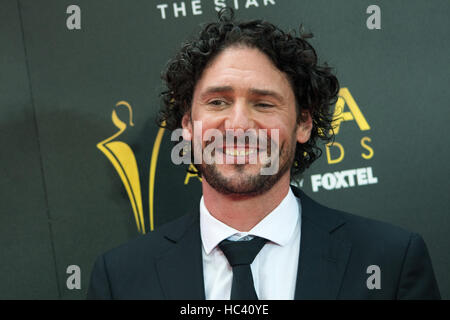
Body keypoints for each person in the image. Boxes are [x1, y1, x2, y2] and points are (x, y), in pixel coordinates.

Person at [87, 8, 440, 300]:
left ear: (303, 124)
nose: (238, 124)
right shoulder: (121, 279)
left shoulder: (390, 261)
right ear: (188, 126)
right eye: (217, 101)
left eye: (264, 103)